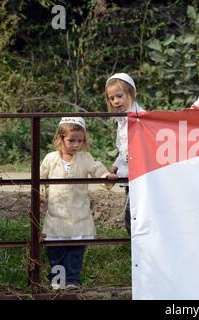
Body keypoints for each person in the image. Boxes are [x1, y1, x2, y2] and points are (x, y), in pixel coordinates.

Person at [40, 117, 117, 290]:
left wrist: (106, 176)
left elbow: (97, 169)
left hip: (79, 214)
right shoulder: (50, 159)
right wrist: (41, 194)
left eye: (80, 141)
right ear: (60, 139)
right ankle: (57, 281)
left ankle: (73, 281)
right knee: (56, 251)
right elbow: (40, 179)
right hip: (56, 215)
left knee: (75, 251)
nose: (76, 144)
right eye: (71, 140)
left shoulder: (85, 158)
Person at [105, 73, 145, 236]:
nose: (116, 101)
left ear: (131, 94)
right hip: (130, 171)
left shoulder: (139, 118)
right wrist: (116, 165)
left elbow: (138, 145)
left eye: (119, 96)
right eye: (111, 98)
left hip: (141, 172)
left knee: (133, 214)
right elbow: (124, 148)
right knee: (131, 213)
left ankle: (139, 247)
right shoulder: (122, 120)